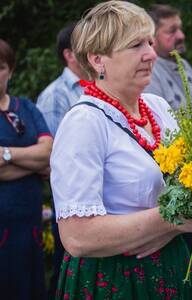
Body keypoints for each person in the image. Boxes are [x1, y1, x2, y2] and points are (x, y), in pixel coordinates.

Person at [50, 1, 192, 299]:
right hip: (115, 279)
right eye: (135, 45)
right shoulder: (84, 122)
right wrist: (174, 220)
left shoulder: (158, 108)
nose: (151, 54)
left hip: (172, 266)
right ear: (97, 59)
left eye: (150, 42)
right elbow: (78, 237)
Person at [36, 22, 87, 299]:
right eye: (86, 45)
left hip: (98, 203)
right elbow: (53, 159)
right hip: (72, 203)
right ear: (69, 54)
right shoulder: (55, 95)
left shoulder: (97, 86)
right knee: (67, 271)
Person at [0, 39, 53, 299]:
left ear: (9, 70)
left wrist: (6, 154)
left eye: (0, 67)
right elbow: (40, 157)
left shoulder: (28, 108)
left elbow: (49, 153)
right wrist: (34, 164)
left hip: (29, 224)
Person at [144, 4, 192, 110]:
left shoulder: (184, 65)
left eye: (180, 29)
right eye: (172, 31)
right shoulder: (148, 70)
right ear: (151, 37)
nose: (181, 36)